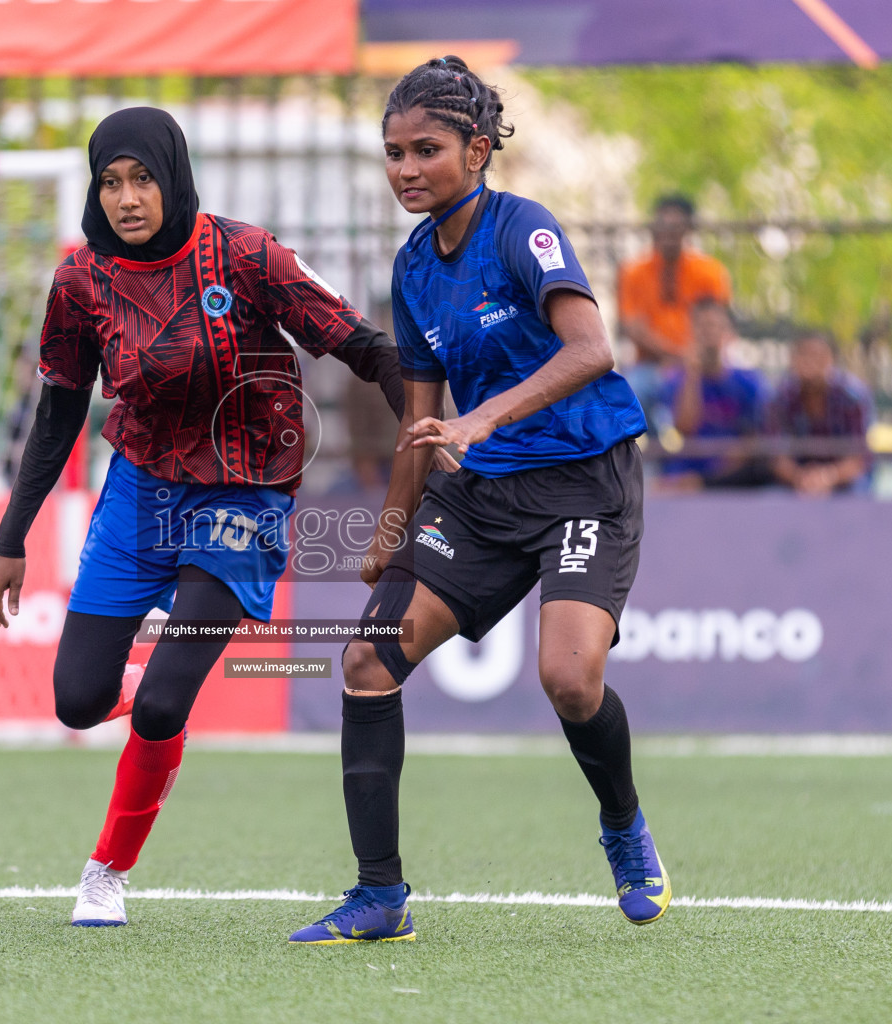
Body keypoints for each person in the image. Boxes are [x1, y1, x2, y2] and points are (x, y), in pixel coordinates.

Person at [0, 107, 416, 928]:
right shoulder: (81, 283)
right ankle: (142, 681)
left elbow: (372, 351)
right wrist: (12, 540)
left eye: (142, 178)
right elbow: (57, 415)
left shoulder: (248, 256)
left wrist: (427, 446)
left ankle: (106, 872)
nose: (127, 198)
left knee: (160, 710)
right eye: (110, 182)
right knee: (77, 702)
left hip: (242, 500)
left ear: (173, 177)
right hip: (139, 495)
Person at [289, 56, 669, 946]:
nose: (406, 169)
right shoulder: (415, 266)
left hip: (586, 480)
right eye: (392, 153)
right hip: (484, 492)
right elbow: (421, 426)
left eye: (426, 149)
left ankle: (622, 827)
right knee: (365, 664)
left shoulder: (523, 230)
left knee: (569, 680)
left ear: (479, 149)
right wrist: (388, 533)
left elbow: (592, 350)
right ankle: (379, 896)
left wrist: (484, 417)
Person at [617, 194, 732, 426]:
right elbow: (634, 328)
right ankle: (647, 462)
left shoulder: (710, 271)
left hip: (702, 363)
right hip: (650, 366)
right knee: (631, 397)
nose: (669, 232)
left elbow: (719, 322)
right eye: (663, 224)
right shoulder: (633, 272)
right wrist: (676, 356)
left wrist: (692, 359)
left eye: (676, 225)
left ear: (689, 229)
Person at [657, 298, 772, 490]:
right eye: (702, 326)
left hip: (731, 479)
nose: (709, 332)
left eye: (715, 326)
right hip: (684, 476)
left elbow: (755, 440)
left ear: (728, 333)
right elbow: (683, 428)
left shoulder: (749, 382)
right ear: (691, 332)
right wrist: (692, 375)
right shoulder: (675, 381)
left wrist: (710, 479)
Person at [767, 332, 873, 495]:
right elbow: (776, 456)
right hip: (794, 482)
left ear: (832, 360)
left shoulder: (853, 397)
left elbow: (859, 458)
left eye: (818, 355)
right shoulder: (780, 397)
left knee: (859, 497)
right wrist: (799, 478)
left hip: (844, 481)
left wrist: (828, 477)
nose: (810, 362)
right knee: (770, 499)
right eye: (803, 354)